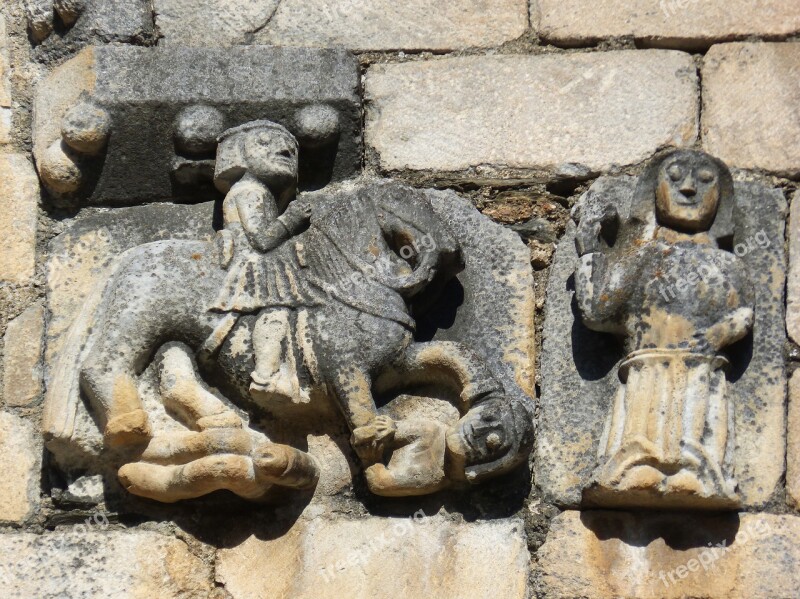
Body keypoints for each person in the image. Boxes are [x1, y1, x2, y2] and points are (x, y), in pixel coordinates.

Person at [211, 120, 316, 403]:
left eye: (290, 149)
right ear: (239, 154)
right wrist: (291, 219)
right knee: (276, 311)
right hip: (255, 266)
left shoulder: (258, 192)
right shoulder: (250, 192)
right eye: (264, 142)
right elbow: (262, 240)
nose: (283, 149)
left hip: (264, 262)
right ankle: (266, 376)